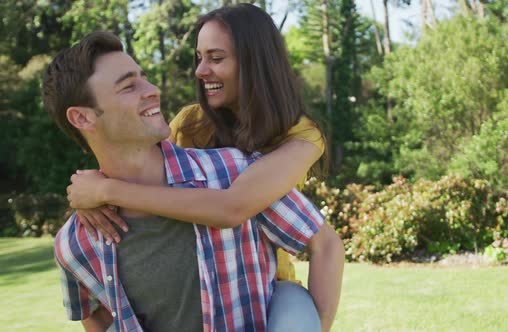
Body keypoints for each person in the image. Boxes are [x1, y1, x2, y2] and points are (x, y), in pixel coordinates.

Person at [46, 31, 344, 332]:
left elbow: (322, 243)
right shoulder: (74, 245)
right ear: (82, 118)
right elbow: (93, 313)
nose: (152, 89)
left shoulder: (236, 172)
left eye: (144, 78)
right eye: (128, 86)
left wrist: (108, 189)